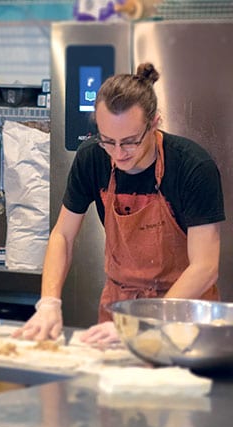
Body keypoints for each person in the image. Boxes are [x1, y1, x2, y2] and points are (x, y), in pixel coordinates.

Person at [14, 62, 224, 345]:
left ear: (154, 123)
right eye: (107, 141)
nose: (118, 154)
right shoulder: (91, 158)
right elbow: (62, 235)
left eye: (129, 142)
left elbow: (205, 267)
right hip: (120, 310)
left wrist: (145, 322)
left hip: (183, 315)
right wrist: (49, 302)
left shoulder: (192, 166)